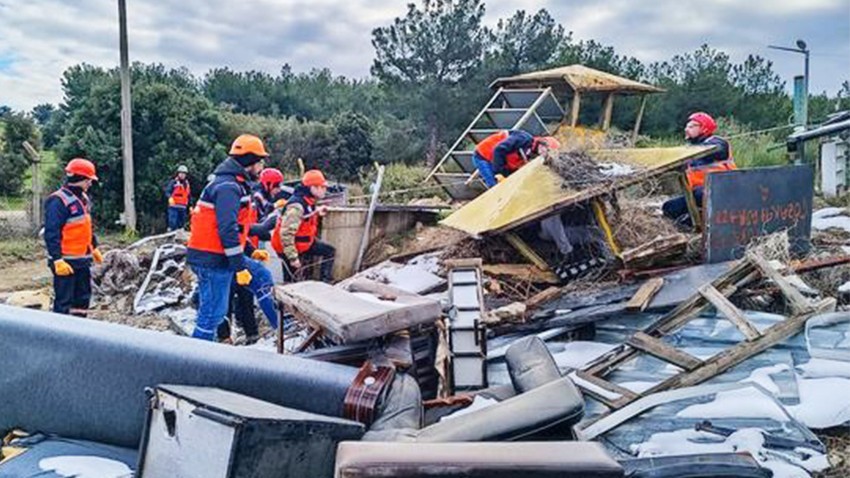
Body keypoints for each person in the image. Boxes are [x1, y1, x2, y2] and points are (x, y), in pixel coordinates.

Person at [186, 134, 279, 341]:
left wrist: (250, 251)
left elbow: (236, 228)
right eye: (260, 161)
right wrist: (239, 267)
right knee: (212, 315)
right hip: (212, 260)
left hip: (220, 255)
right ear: (249, 161)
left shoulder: (234, 183)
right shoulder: (228, 187)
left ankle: (283, 330)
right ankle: (195, 362)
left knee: (262, 277)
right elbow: (226, 229)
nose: (262, 166)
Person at [44, 158, 103, 317]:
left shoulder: (83, 199)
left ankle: (79, 331)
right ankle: (61, 336)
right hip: (65, 261)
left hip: (82, 259)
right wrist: (57, 259)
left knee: (82, 299)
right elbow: (51, 233)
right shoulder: (57, 201)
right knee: (64, 301)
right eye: (89, 180)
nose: (90, 183)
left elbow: (86, 226)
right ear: (80, 178)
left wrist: (94, 247)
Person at [662, 112, 737, 227]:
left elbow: (718, 150)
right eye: (686, 126)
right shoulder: (690, 149)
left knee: (698, 194)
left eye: (692, 126)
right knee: (668, 207)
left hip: (722, 189)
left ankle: (695, 220)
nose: (686, 129)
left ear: (704, 128)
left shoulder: (718, 142)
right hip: (698, 192)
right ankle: (692, 221)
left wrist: (693, 149)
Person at [270, 170, 335, 283]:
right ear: (313, 188)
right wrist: (293, 258)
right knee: (292, 281)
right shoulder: (297, 206)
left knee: (329, 251)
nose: (325, 190)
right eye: (322, 187)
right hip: (287, 247)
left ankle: (326, 282)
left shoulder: (308, 200)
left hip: (303, 243)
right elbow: (286, 234)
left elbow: (305, 216)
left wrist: (317, 212)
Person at [472, 130, 561, 188]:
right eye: (547, 150)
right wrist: (499, 173)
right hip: (483, 155)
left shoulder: (531, 153)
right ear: (542, 144)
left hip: (500, 160)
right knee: (494, 186)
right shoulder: (524, 139)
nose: (545, 154)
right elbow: (498, 150)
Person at [165, 165, 191, 231]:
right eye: (181, 173)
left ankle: (180, 237)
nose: (182, 175)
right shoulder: (173, 182)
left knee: (181, 224)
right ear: (178, 173)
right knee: (173, 223)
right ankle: (170, 233)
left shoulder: (187, 184)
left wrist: (191, 206)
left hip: (183, 207)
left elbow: (188, 196)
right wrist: (170, 197)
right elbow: (167, 191)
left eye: (184, 173)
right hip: (174, 206)